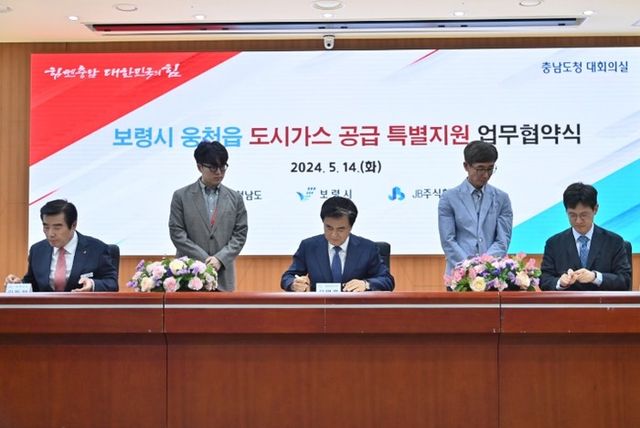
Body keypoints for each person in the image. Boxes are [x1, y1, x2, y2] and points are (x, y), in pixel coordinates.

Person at [169, 140, 248, 291]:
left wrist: (220, 259)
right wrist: (205, 259)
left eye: (223, 167)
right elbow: (177, 233)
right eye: (213, 167)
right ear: (199, 167)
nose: (219, 172)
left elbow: (240, 234)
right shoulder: (181, 196)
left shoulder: (235, 198)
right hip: (188, 274)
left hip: (222, 275)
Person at [281, 196, 394, 292]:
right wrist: (294, 284)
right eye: (329, 227)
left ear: (350, 227)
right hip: (319, 307)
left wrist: (365, 284)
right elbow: (287, 277)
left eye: (340, 229)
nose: (333, 235)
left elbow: (387, 280)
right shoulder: (308, 246)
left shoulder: (367, 248)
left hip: (356, 308)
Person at [4, 199, 118, 292]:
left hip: (82, 310)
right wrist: (19, 285)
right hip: (45, 311)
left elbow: (112, 283)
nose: (50, 234)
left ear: (73, 225)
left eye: (57, 227)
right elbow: (33, 283)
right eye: (46, 227)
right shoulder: (37, 250)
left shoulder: (97, 249)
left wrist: (92, 284)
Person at [438, 140, 513, 275]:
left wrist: (484, 266)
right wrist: (469, 266)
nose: (485, 175)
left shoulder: (502, 198)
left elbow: (502, 240)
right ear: (466, 166)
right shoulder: (449, 198)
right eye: (480, 169)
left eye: (490, 169)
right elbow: (448, 240)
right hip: (459, 274)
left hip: (492, 274)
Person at [540, 182, 631, 291]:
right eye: (572, 215)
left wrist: (595, 277)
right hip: (568, 301)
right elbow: (544, 281)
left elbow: (624, 281)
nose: (578, 221)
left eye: (584, 215)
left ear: (595, 209)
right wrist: (560, 282)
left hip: (603, 301)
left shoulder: (614, 242)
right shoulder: (554, 244)